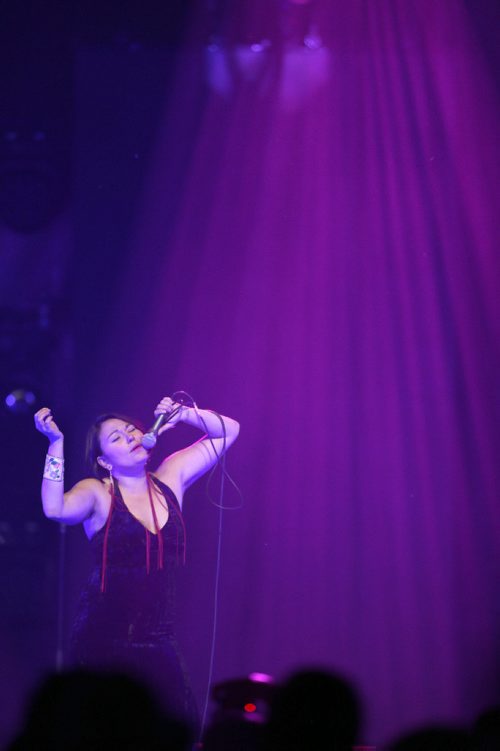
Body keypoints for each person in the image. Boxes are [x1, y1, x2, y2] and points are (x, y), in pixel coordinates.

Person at [34, 397, 240, 727]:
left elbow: (229, 431)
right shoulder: (98, 491)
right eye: (117, 437)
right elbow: (54, 508)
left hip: (159, 639)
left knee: (175, 726)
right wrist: (56, 445)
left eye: (132, 430)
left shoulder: (171, 476)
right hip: (102, 640)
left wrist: (184, 414)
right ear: (104, 461)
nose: (130, 436)